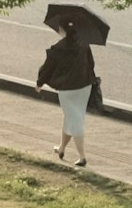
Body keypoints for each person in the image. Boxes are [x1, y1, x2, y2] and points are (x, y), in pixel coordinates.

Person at [36, 20, 96, 167]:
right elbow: (91, 63)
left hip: (68, 88)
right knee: (73, 116)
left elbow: (48, 68)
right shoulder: (84, 44)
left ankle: (82, 157)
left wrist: (39, 83)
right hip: (84, 85)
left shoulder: (58, 48)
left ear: (63, 31)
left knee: (75, 120)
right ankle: (62, 148)